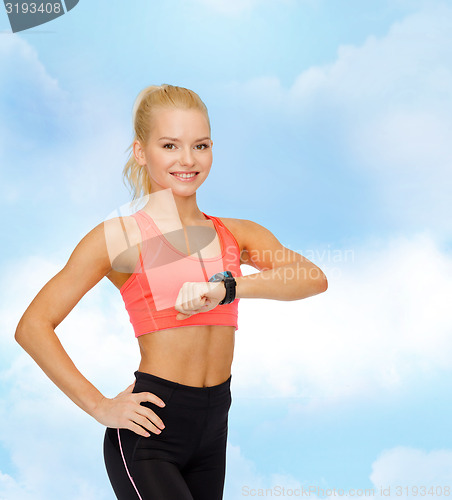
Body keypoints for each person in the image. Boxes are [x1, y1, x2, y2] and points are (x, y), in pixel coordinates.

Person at [14, 83, 328, 500]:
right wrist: (99, 406)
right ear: (141, 152)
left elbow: (311, 277)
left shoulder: (234, 233)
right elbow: (32, 325)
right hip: (150, 433)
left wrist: (228, 287)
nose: (187, 159)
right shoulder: (119, 238)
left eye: (200, 145)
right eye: (169, 145)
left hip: (214, 427)